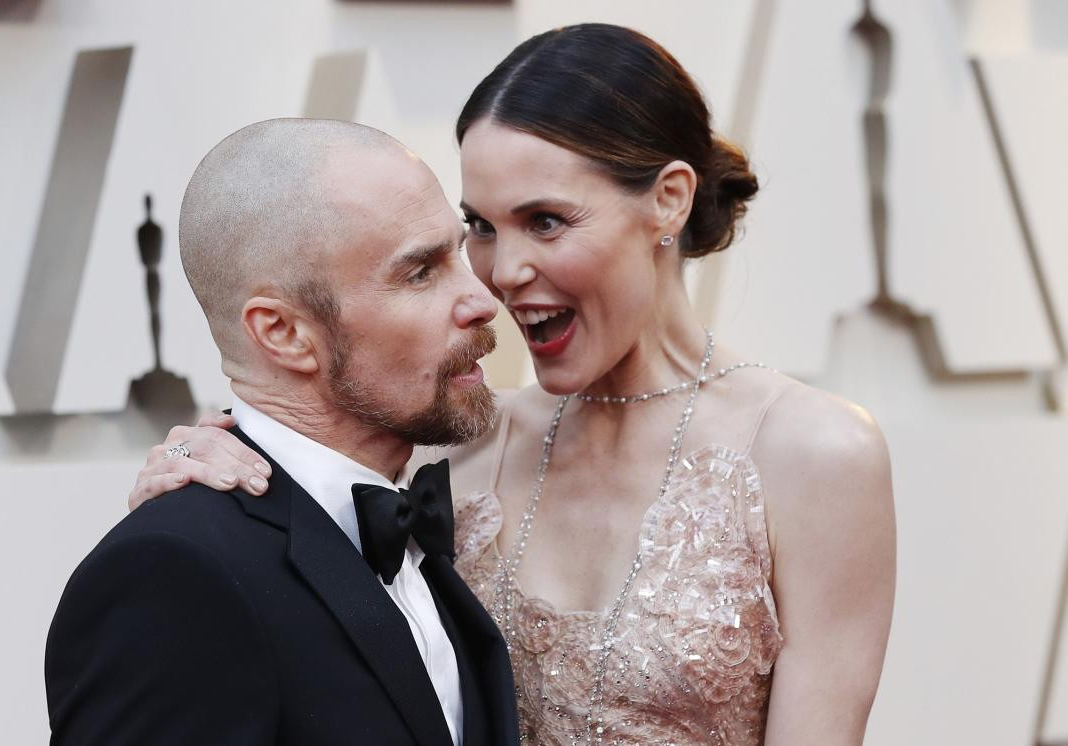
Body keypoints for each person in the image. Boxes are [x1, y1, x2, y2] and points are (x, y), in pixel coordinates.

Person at [130, 24, 896, 745]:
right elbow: (298, 540)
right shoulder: (456, 442)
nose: (503, 272)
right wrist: (203, 468)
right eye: (484, 227)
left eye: (547, 221)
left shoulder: (814, 453)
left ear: (669, 198)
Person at [45, 118, 520, 745]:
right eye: (420, 273)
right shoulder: (175, 575)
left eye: (457, 253)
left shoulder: (414, 519)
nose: (482, 299)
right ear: (284, 333)